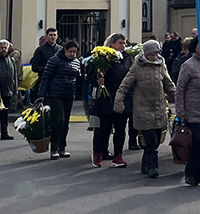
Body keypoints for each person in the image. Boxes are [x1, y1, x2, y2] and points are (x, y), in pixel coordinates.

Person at [115, 39, 175, 178]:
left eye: (156, 54)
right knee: (151, 140)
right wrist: (119, 102)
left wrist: (177, 97)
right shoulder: (137, 67)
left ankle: (145, 164)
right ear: (146, 54)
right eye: (152, 55)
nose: (155, 57)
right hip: (143, 109)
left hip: (159, 107)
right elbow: (124, 86)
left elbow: (168, 84)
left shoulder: (161, 65)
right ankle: (153, 167)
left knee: (157, 139)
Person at [175, 37, 200, 186]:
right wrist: (180, 111)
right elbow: (180, 89)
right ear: (194, 47)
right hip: (192, 112)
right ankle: (190, 173)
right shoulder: (188, 66)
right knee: (198, 142)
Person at [37, 39, 82, 160]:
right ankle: (54, 148)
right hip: (55, 94)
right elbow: (46, 78)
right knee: (58, 120)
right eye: (70, 52)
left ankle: (62, 147)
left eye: (74, 52)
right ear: (65, 50)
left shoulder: (76, 62)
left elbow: (78, 78)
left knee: (66, 122)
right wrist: (41, 94)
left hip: (69, 94)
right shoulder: (54, 60)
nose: (72, 54)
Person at [91, 33, 131, 166]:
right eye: (120, 43)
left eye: (124, 43)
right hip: (106, 98)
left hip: (122, 98)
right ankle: (98, 154)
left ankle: (118, 156)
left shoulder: (127, 58)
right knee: (103, 128)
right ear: (112, 44)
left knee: (120, 128)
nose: (123, 46)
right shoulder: (103, 57)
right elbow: (91, 76)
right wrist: (97, 80)